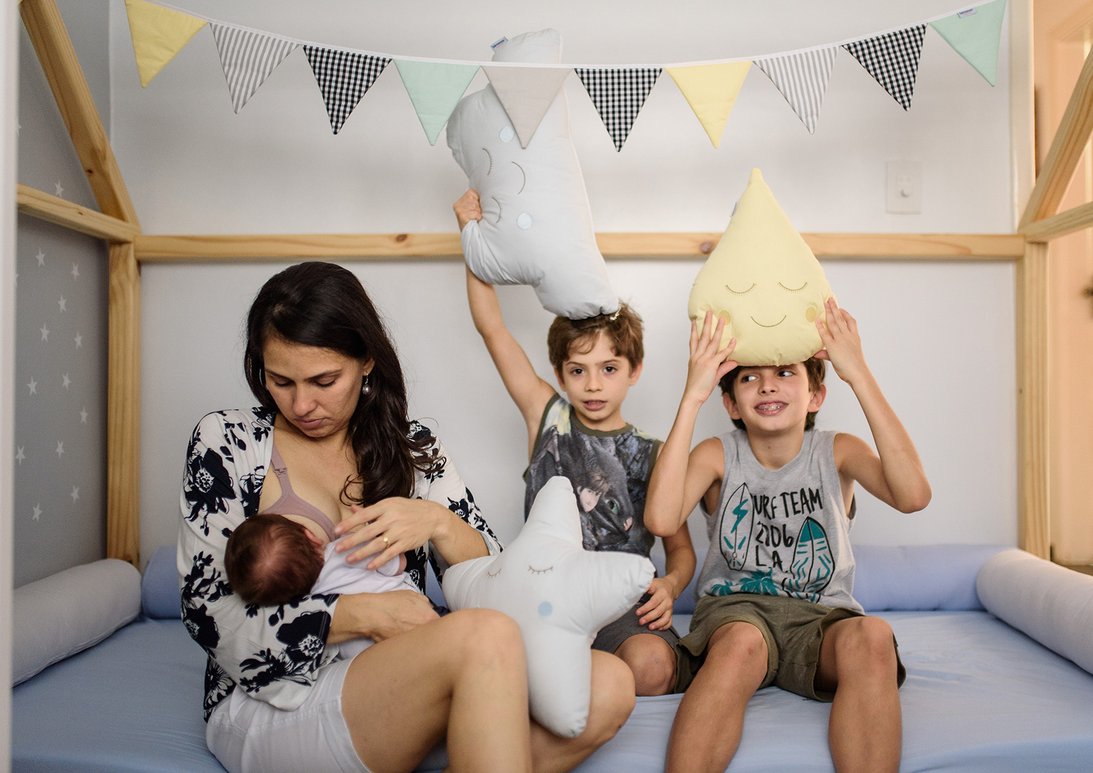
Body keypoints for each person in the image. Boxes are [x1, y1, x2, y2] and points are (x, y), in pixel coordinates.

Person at [179, 261, 634, 773]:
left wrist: (438, 522)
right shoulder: (228, 442)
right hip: (277, 697)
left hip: (396, 680)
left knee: (609, 684)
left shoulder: (413, 448)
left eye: (324, 380)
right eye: (280, 381)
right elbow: (206, 612)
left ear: (367, 361)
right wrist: (363, 615)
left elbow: (500, 579)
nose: (301, 404)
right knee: (484, 636)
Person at [644, 305, 932, 773]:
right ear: (731, 404)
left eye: (784, 372)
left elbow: (913, 496)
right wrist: (692, 397)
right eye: (749, 378)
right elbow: (660, 519)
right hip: (736, 614)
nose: (768, 386)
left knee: (874, 634)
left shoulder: (837, 451)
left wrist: (858, 374)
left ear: (816, 395)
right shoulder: (717, 455)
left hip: (819, 619)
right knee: (741, 643)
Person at [455, 189, 696, 697]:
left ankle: (583, 679)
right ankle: (559, 675)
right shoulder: (547, 416)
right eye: (578, 370)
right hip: (540, 595)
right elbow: (492, 328)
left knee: (654, 666)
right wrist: (471, 238)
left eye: (608, 369)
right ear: (560, 373)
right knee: (488, 665)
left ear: (634, 370)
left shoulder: (655, 453)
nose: (592, 385)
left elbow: (680, 550)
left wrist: (671, 585)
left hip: (619, 609)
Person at [224, 510, 422, 660]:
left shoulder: (311, 613)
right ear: (310, 536)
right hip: (416, 620)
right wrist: (375, 535)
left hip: (374, 665)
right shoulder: (346, 549)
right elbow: (399, 564)